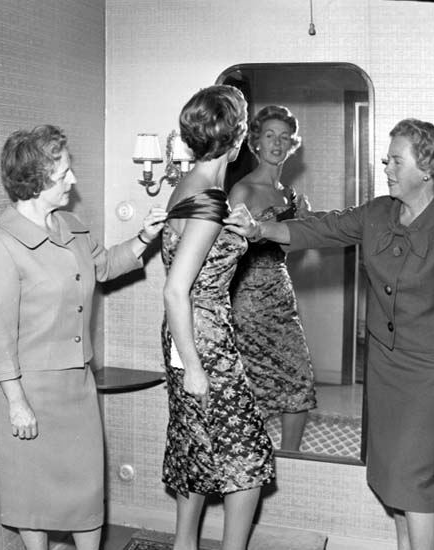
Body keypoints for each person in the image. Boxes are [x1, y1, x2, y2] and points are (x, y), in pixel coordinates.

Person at [225, 118, 434, 550]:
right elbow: (319, 227)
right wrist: (260, 229)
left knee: (414, 479)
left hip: (430, 373)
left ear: (427, 169)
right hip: (384, 369)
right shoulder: (378, 212)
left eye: (396, 161)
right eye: (386, 160)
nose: (387, 168)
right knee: (394, 479)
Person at [0, 124, 165, 550]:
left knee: (86, 489)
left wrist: (145, 237)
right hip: (30, 391)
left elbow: (105, 266)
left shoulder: (72, 228)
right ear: (35, 180)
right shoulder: (0, 247)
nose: (73, 180)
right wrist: (16, 402)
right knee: (33, 492)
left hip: (78, 384)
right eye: (63, 174)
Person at [161, 85, 275, 550]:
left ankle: (183, 544)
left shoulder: (187, 187)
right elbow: (176, 289)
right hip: (202, 337)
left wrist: (246, 230)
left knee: (195, 440)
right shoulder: (210, 200)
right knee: (246, 454)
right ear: (239, 137)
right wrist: (194, 368)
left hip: (184, 332)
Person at [228, 105, 316, 451]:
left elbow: (291, 251)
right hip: (247, 299)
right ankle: (251, 460)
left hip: (281, 294)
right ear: (255, 142)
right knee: (254, 385)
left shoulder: (290, 196)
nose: (277, 143)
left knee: (299, 379)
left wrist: (303, 227)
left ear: (293, 144)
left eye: (284, 137)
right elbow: (227, 253)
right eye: (269, 136)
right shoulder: (243, 191)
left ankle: (290, 459)